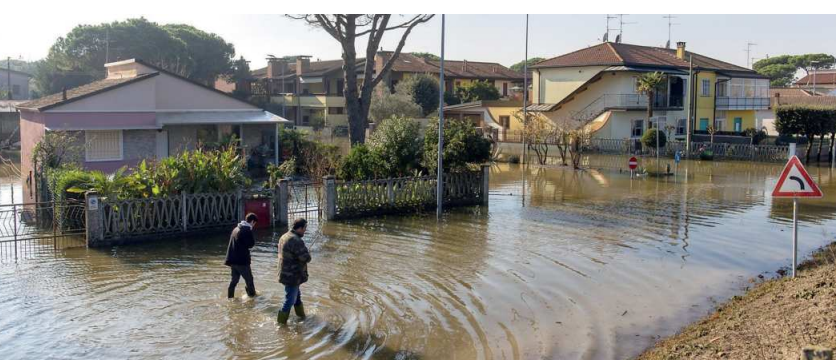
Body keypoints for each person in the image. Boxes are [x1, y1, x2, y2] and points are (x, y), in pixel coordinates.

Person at [277, 218, 312, 325]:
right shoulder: (296, 240)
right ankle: (281, 325)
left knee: (297, 298)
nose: (305, 231)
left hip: (284, 273)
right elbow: (306, 258)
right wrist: (308, 253)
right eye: (304, 228)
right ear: (300, 228)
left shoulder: (284, 236)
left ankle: (302, 318)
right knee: (289, 300)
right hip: (292, 276)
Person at [225, 213, 258, 299]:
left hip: (232, 260)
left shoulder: (236, 228)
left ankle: (230, 297)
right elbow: (251, 244)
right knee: (249, 279)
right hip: (242, 261)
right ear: (252, 221)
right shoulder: (247, 230)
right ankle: (252, 297)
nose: (254, 225)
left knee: (234, 280)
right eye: (254, 223)